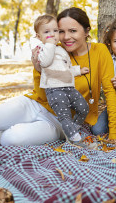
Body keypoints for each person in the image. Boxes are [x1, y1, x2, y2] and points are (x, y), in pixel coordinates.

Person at [0, 7, 116, 146]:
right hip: (34, 105)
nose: (66, 37)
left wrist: (114, 132)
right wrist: (37, 67)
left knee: (14, 138)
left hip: (59, 122)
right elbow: (40, 90)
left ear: (86, 30)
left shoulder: (100, 51)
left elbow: (110, 91)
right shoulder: (50, 51)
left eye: (73, 31)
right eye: (61, 31)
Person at [32, 14, 89, 146]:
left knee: (83, 107)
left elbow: (66, 68)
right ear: (39, 36)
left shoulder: (61, 50)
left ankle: (72, 129)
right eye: (47, 32)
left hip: (69, 87)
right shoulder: (42, 49)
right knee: (65, 115)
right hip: (54, 89)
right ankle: (75, 139)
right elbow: (45, 63)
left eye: (55, 31)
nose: (52, 34)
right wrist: (50, 45)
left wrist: (78, 71)